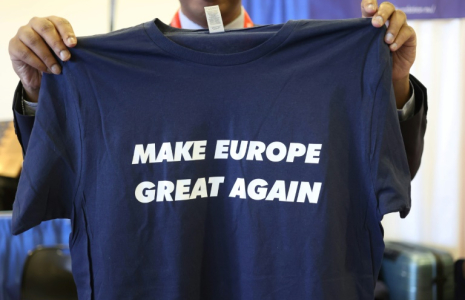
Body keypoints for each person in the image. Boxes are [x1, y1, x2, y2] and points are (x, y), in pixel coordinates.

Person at [8, 0, 426, 176]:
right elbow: (58, 175)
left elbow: (390, 173)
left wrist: (394, 86)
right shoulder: (106, 73)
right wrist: (39, 93)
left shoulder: (318, 66)